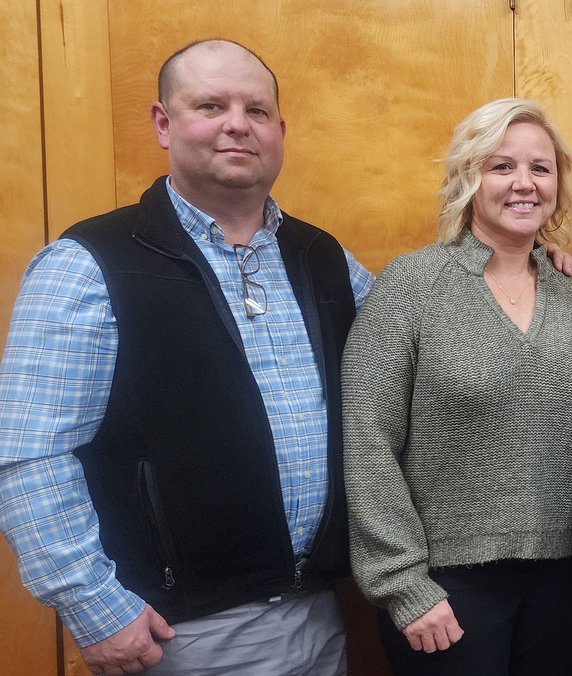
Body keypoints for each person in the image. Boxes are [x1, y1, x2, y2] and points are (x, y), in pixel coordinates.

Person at [0, 39, 373, 674]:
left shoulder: (323, 257)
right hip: (180, 633)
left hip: (320, 614)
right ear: (163, 123)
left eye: (257, 111)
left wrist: (525, 268)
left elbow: (425, 333)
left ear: (280, 133)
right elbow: (31, 453)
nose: (238, 124)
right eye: (211, 106)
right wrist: (95, 607)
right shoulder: (88, 264)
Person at [341, 97, 572, 676]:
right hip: (443, 586)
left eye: (540, 168)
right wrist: (403, 584)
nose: (524, 183)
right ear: (468, 177)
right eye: (501, 166)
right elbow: (366, 441)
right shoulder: (411, 286)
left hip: (562, 575)